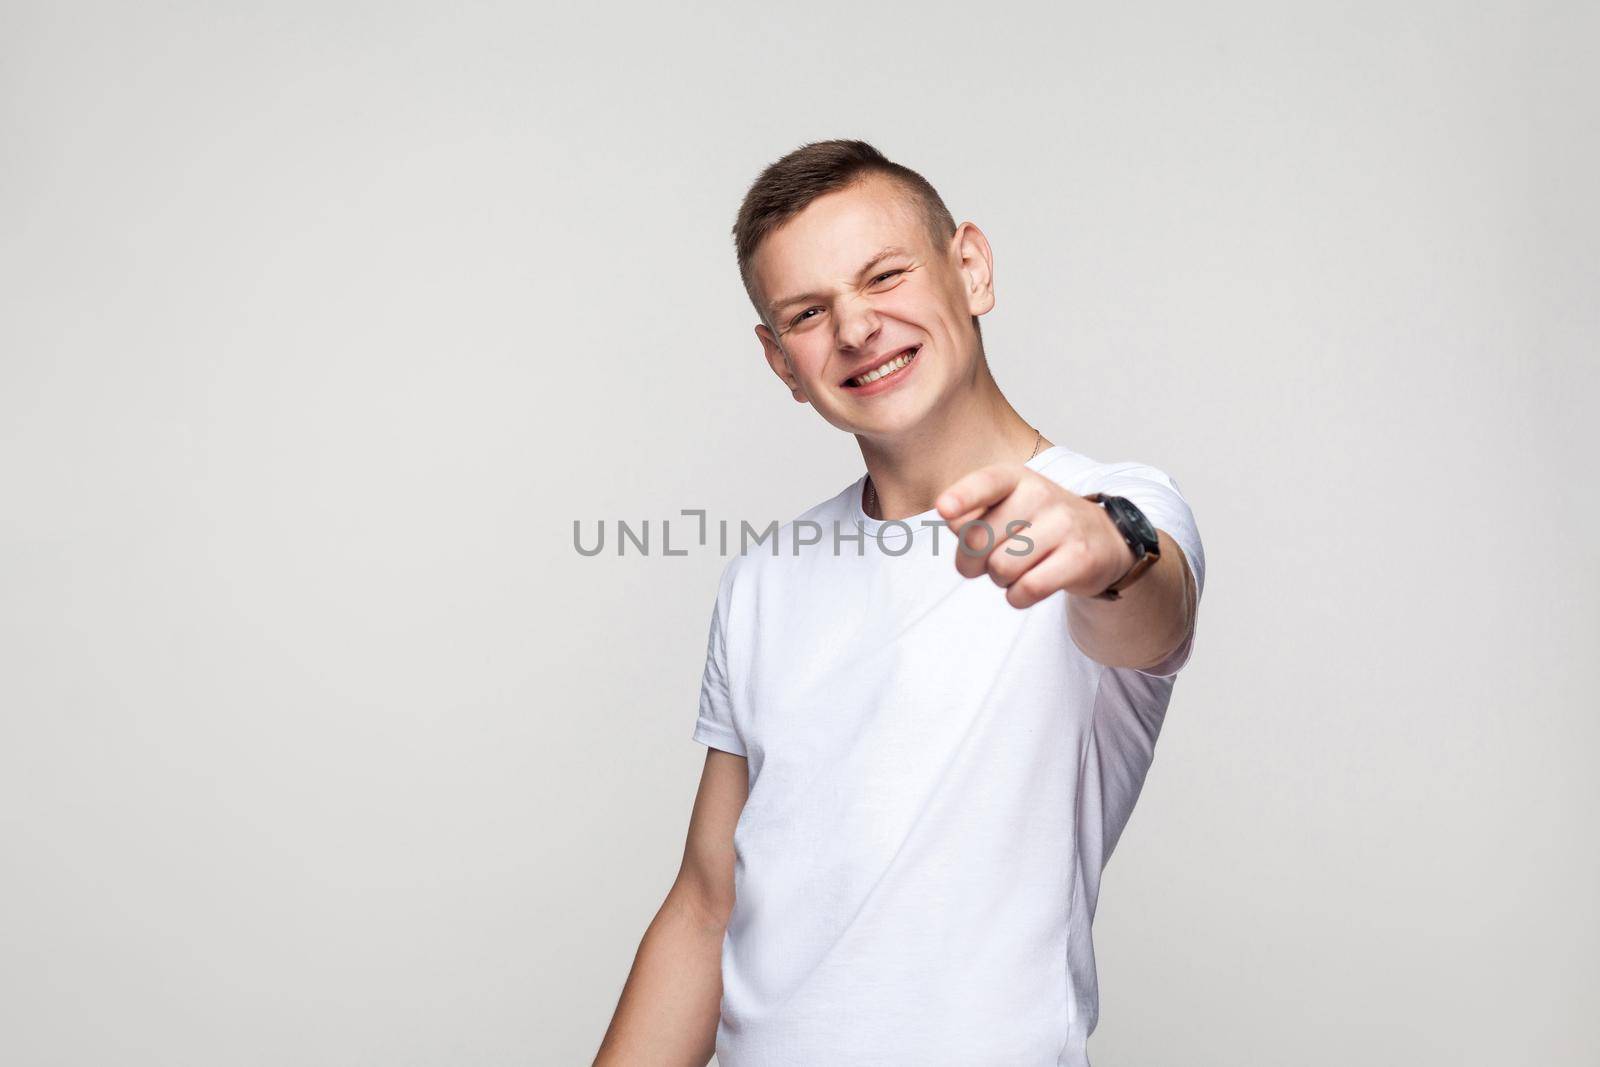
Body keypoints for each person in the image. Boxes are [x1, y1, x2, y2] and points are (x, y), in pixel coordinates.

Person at [594, 139, 1205, 1067]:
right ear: (781, 363)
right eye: (809, 312)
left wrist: (1102, 546)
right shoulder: (766, 578)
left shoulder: (1114, 505)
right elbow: (707, 899)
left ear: (971, 269)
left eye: (885, 275)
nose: (856, 327)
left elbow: (1151, 604)